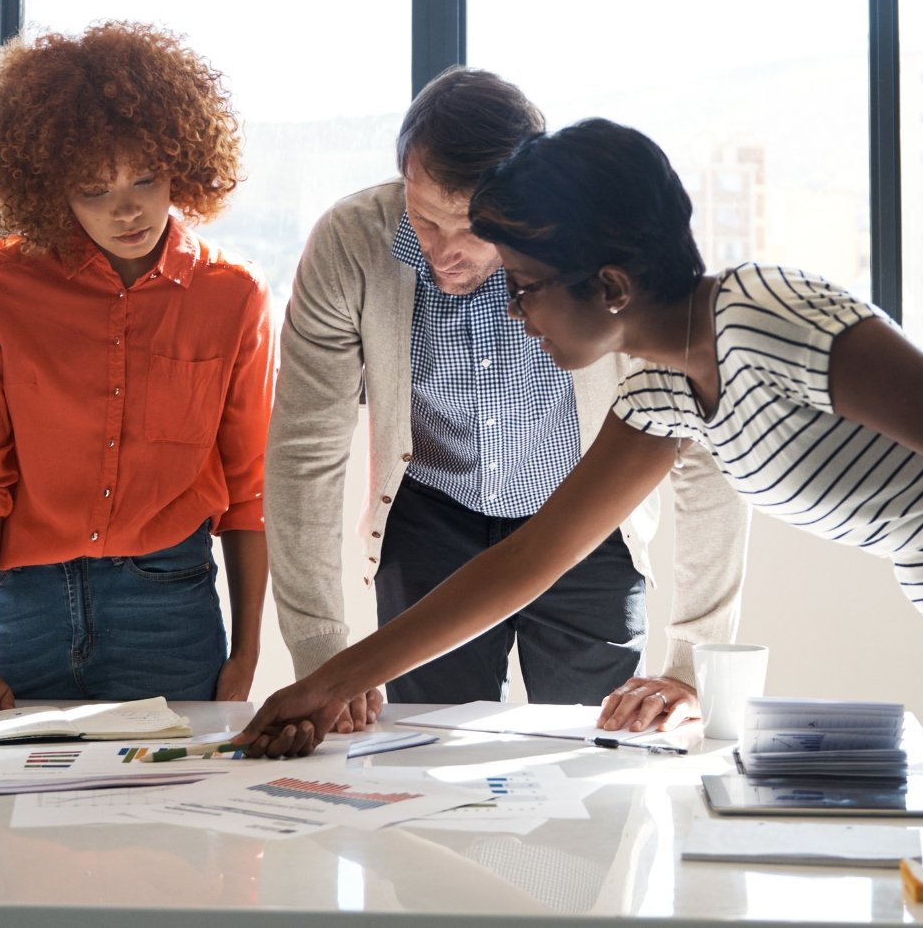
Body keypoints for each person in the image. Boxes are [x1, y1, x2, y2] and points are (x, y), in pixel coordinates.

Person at [240, 117, 923, 828]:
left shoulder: (766, 318)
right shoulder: (664, 389)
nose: (511, 311)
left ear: (609, 287)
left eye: (525, 285)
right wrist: (329, 681)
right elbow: (532, 558)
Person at [268, 68, 748, 735]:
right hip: (431, 521)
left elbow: (703, 454)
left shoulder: (607, 261)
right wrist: (320, 651)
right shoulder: (351, 243)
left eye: (470, 230)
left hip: (586, 521)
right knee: (425, 762)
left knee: (595, 769)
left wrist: (692, 664)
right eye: (423, 217)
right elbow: (304, 454)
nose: (443, 251)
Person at [0, 22, 273, 723]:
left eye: (145, 178)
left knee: (174, 822)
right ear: (50, 189)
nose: (127, 209)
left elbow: (250, 489)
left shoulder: (232, 296)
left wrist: (246, 650)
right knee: (9, 822)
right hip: (24, 605)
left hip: (169, 605)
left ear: (181, 161)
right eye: (94, 189)